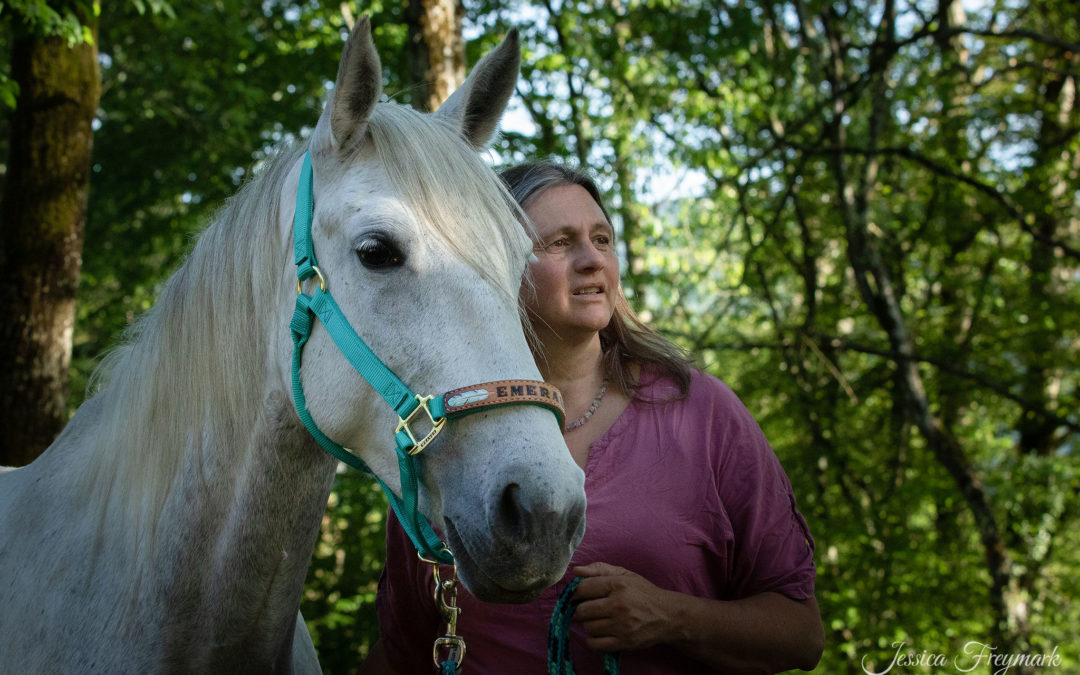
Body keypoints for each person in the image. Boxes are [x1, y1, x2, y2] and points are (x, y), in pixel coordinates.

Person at [362, 161, 824, 674]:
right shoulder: (440, 435)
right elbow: (404, 652)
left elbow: (800, 634)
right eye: (559, 242)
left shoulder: (701, 414)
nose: (592, 260)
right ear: (497, 262)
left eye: (601, 239)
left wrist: (672, 617)